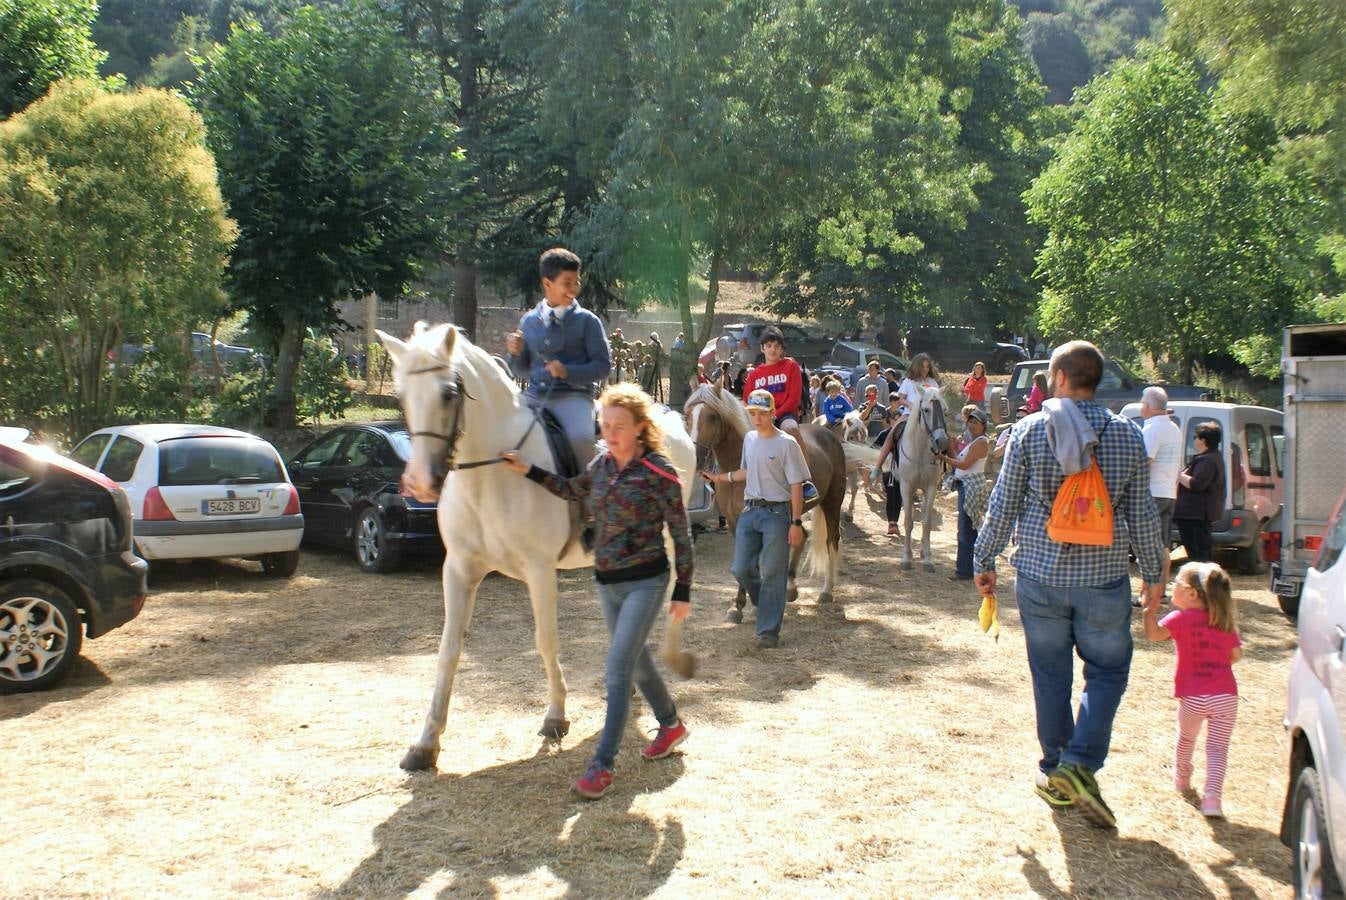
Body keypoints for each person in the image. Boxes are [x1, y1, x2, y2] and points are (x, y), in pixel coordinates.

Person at [974, 341, 1166, 829]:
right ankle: (1079, 765)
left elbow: (1004, 502)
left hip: (1039, 577)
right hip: (1103, 579)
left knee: (1051, 676)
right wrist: (1154, 576)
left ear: (1058, 377)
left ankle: (1060, 767)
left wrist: (984, 557)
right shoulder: (1126, 435)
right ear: (1096, 381)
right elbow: (1142, 515)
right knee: (1106, 673)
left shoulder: (1029, 431)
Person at [498, 383, 693, 800]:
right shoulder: (602, 466)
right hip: (606, 581)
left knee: (617, 671)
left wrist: (684, 590)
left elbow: (682, 533)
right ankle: (671, 724)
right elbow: (571, 490)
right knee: (638, 663)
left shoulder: (660, 473)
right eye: (604, 424)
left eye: (619, 426)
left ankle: (601, 767)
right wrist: (527, 469)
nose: (609, 432)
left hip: (647, 580)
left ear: (641, 428)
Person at [705, 389, 808, 649]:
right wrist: (721, 478)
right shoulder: (749, 439)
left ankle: (768, 631)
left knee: (773, 573)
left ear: (773, 413)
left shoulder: (787, 444)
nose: (757, 418)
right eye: (753, 413)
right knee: (740, 568)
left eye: (763, 413)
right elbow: (746, 471)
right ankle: (767, 603)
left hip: (777, 514)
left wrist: (796, 523)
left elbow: (796, 485)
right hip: (750, 513)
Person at [1142, 561, 1241, 818]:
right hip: (1226, 696)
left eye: (1177, 583)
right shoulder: (1224, 621)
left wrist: (1148, 613)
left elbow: (1154, 636)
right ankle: (1212, 800)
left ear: (1192, 593)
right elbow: (1235, 655)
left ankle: (1182, 779)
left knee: (1186, 738)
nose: (1173, 587)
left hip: (1193, 696)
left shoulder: (1180, 618)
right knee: (1218, 749)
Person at [506, 248, 612, 467]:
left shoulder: (588, 321)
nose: (574, 289)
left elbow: (603, 367)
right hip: (533, 397)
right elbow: (522, 370)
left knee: (580, 440)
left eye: (576, 282)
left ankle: (585, 497)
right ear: (547, 283)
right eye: (567, 283)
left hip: (574, 398)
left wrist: (567, 372)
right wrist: (514, 354)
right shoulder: (528, 321)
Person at [740, 327, 816, 502]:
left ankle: (805, 481)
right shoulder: (754, 375)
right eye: (768, 345)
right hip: (759, 417)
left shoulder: (790, 366)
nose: (772, 349)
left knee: (790, 429)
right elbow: (747, 401)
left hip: (783, 415)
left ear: (782, 349)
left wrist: (774, 415)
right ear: (762, 348)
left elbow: (793, 398)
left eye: (776, 346)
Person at [1140, 386, 1183, 599]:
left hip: (1153, 492)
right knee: (1164, 545)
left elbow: (1145, 463)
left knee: (1147, 544)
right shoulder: (1174, 429)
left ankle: (1147, 593)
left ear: (1148, 406)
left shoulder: (1152, 429)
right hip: (1169, 492)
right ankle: (1162, 591)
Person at [939, 407, 990, 581]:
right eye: (970, 421)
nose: (972, 424)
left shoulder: (981, 442)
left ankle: (964, 571)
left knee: (965, 530)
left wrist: (943, 458)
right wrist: (951, 448)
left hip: (971, 487)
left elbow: (964, 465)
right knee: (970, 529)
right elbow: (958, 462)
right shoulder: (972, 442)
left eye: (976, 422)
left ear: (983, 426)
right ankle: (974, 568)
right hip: (965, 486)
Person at [1174, 421, 1225, 563]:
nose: (1194, 440)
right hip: (1195, 514)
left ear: (1203, 440)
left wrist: (1179, 475)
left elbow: (1198, 484)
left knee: (1198, 554)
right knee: (1199, 552)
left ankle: (1200, 581)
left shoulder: (1207, 460)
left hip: (1195, 515)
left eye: (1195, 437)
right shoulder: (1212, 457)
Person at [895, 353, 939, 417]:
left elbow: (938, 398)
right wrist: (910, 405)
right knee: (899, 424)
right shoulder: (908, 381)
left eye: (927, 367)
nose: (925, 369)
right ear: (916, 367)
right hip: (910, 413)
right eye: (922, 367)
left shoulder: (932, 382)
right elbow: (900, 399)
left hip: (929, 414)